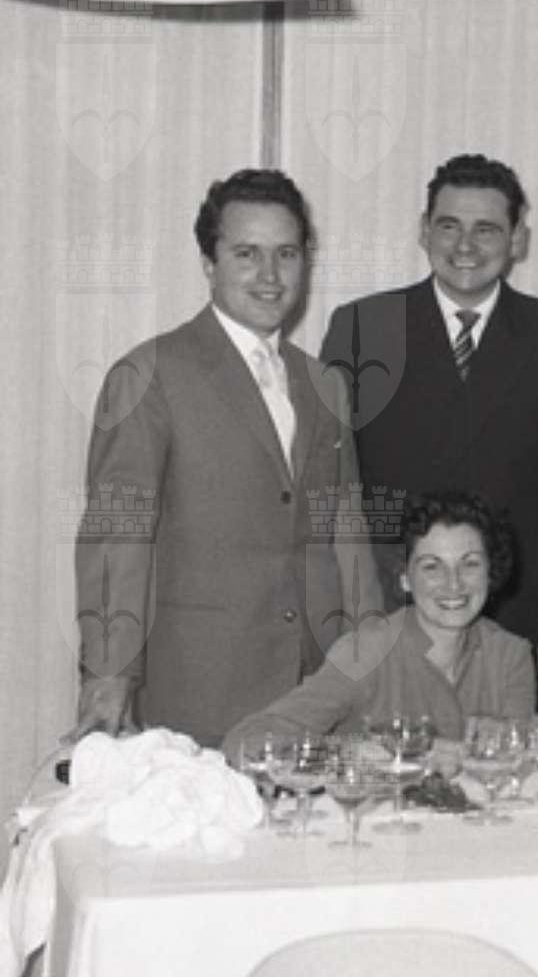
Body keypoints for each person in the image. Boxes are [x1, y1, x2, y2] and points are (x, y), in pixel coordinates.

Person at [74, 170, 381, 749]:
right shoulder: (147, 375)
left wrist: (371, 653)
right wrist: (109, 673)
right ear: (208, 263)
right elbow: (117, 534)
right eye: (247, 254)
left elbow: (347, 530)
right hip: (198, 693)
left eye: (286, 254)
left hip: (317, 696)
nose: (270, 275)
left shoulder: (325, 384)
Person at [321, 154, 538, 659]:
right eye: (449, 226)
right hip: (388, 617)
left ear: (517, 239)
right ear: (423, 231)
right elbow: (333, 490)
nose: (465, 246)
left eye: (486, 230)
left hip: (521, 622)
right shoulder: (361, 329)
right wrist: (350, 613)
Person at [225, 491, 536, 752]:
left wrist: (507, 738)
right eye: (432, 567)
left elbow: (519, 766)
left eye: (470, 564)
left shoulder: (511, 656)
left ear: (491, 573)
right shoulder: (366, 652)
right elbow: (246, 741)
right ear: (404, 578)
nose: (453, 584)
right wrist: (359, 752)